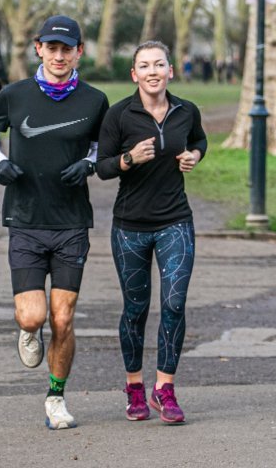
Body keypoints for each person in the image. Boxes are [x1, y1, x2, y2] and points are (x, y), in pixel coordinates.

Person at [0, 15, 109, 430]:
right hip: (26, 219)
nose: (58, 55)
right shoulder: (14, 95)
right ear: (38, 49)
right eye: (51, 48)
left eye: (66, 49)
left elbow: (101, 148)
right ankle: (28, 331)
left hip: (71, 222)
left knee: (64, 318)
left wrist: (87, 166)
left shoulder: (94, 100)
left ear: (78, 52)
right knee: (34, 317)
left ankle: (56, 397)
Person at [96, 40, 207, 424]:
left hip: (176, 220)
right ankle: (134, 388)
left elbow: (199, 140)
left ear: (170, 70)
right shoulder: (119, 115)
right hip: (130, 227)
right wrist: (128, 159)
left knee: (174, 305)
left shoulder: (185, 111)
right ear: (135, 74)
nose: (153, 71)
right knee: (136, 310)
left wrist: (194, 155)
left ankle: (166, 389)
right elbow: (103, 167)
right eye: (144, 66)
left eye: (159, 64)